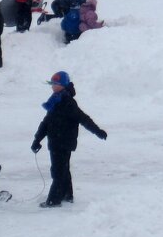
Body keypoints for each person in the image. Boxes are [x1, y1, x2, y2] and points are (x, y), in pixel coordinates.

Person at [31, 71, 107, 208]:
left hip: (63, 142)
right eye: (52, 84)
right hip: (55, 141)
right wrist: (37, 139)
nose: (52, 87)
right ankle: (67, 194)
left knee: (58, 171)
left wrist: (98, 132)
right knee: (63, 169)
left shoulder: (68, 102)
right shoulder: (55, 99)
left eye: (55, 84)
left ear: (63, 85)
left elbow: (83, 119)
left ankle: (54, 200)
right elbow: (46, 122)